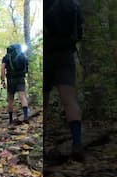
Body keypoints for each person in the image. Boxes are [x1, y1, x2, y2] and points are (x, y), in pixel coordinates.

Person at [44, 0, 83, 160]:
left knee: (43, 102)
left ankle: (43, 145)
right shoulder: (73, 5)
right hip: (65, 55)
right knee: (69, 100)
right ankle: (77, 144)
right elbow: (78, 34)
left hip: (47, 54)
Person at [1, 44, 29, 125]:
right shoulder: (22, 55)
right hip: (20, 78)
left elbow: (2, 68)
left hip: (10, 79)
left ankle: (10, 120)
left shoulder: (6, 57)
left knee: (10, 99)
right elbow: (26, 67)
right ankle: (26, 117)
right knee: (23, 97)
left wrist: (3, 80)